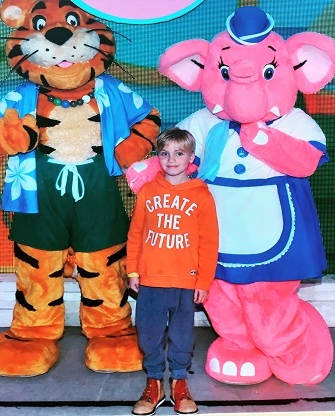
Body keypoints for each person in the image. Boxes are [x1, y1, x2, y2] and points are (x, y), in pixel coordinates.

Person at [127, 127, 219, 416]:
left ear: (191, 157)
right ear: (157, 156)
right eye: (165, 153)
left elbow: (209, 242)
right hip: (151, 279)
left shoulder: (202, 196)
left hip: (185, 281)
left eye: (179, 153)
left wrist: (204, 280)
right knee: (149, 334)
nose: (171, 159)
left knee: (182, 336)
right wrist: (132, 271)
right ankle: (153, 382)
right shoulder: (147, 191)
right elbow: (136, 234)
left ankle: (180, 383)